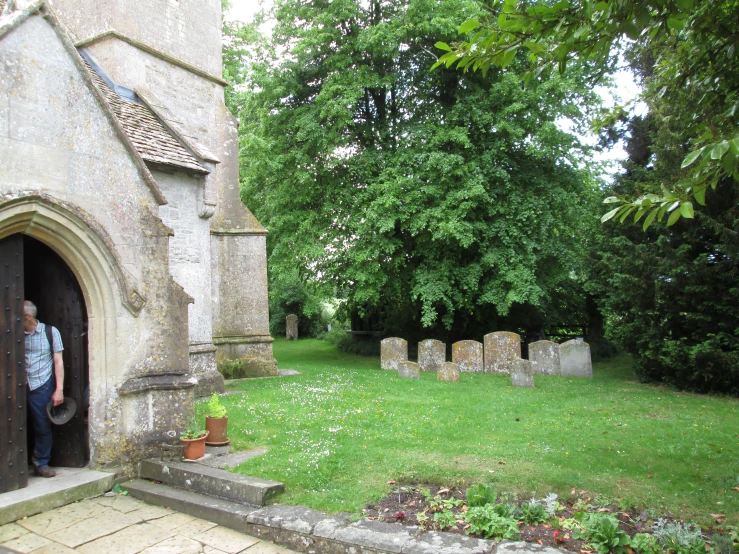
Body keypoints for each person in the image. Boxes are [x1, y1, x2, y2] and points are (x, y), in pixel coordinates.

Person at [23, 300, 64, 478]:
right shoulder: (14, 333)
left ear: (28, 316)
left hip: (41, 385)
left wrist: (59, 390)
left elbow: (58, 361)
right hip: (19, 385)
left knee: (42, 426)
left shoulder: (50, 332)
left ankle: (41, 463)